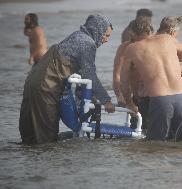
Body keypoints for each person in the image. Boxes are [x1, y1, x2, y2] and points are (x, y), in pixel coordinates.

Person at [19, 14, 115, 144]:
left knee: (28, 139)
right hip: (47, 87)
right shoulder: (87, 44)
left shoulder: (76, 36)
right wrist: (106, 101)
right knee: (47, 141)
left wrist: (90, 101)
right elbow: (89, 75)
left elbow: (82, 77)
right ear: (97, 30)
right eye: (106, 35)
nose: (106, 40)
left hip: (32, 80)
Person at [120, 17, 182, 141]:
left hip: (160, 99)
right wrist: (171, 61)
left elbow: (124, 81)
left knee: (157, 144)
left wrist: (129, 103)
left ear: (132, 33)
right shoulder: (167, 39)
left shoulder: (132, 49)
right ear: (150, 30)